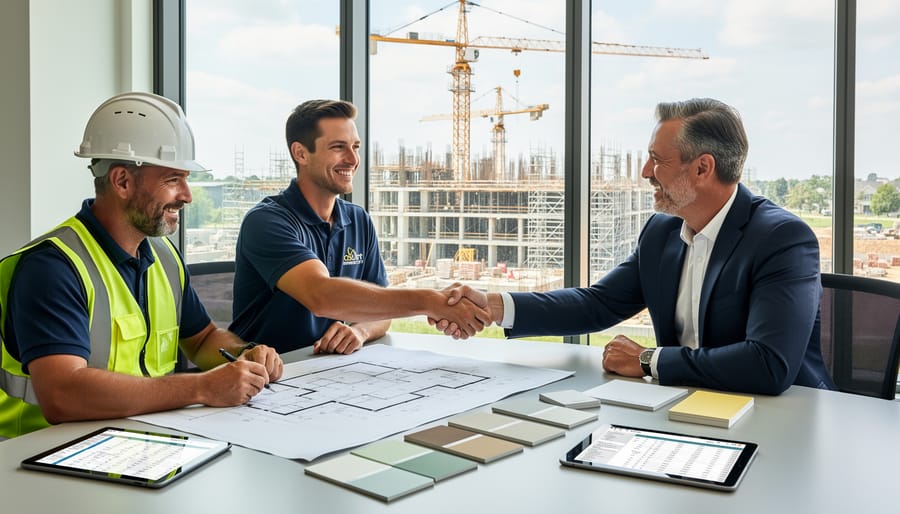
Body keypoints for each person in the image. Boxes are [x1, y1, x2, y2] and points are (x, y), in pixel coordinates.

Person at [437, 98, 836, 395]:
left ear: (702, 168)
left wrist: (648, 361)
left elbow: (768, 365)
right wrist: (492, 306)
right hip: (684, 406)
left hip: (785, 417)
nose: (645, 172)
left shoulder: (783, 239)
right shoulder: (662, 232)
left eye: (656, 160)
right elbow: (598, 304)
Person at [0, 92, 283, 439]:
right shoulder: (52, 268)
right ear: (122, 181)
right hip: (38, 462)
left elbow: (203, 338)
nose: (187, 195)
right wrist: (200, 388)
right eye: (172, 179)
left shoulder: (163, 257)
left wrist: (243, 356)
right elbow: (62, 394)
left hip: (135, 446)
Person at [230, 99, 489, 355]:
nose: (353, 159)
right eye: (338, 147)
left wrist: (359, 332)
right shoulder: (266, 222)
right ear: (301, 153)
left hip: (328, 370)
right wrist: (430, 301)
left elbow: (380, 309)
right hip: (267, 378)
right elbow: (322, 296)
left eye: (356, 146)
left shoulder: (358, 220)